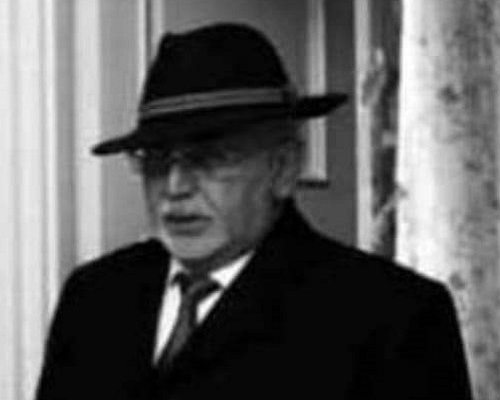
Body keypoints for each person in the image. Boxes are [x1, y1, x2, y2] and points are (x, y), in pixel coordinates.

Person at [35, 23, 472, 400]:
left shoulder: (392, 317)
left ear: (283, 168)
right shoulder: (94, 298)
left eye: (208, 158)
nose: (175, 187)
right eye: (157, 159)